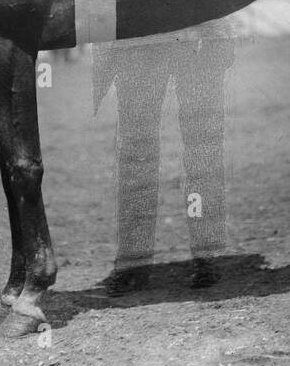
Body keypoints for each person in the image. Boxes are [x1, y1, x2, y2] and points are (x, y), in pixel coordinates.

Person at [93, 19, 237, 294]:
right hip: (136, 42)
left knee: (203, 149)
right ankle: (133, 263)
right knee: (136, 153)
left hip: (200, 39)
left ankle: (209, 256)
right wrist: (105, 49)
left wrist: (222, 34)